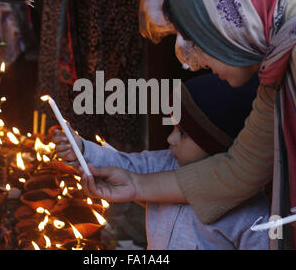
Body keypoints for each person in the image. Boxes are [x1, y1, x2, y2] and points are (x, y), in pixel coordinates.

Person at [77, 0, 296, 250]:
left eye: (197, 43)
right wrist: (135, 184)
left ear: (226, 27)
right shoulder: (279, 69)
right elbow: (238, 171)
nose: (197, 61)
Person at [52, 74, 270, 249]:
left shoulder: (249, 211)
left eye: (183, 133)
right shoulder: (164, 165)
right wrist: (81, 149)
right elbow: (125, 166)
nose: (170, 139)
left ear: (216, 142)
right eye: (173, 128)